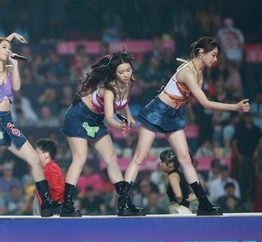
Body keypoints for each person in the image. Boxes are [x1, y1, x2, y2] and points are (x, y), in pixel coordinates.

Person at [124, 37, 250, 216]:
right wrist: (235, 107)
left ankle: (203, 203)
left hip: (173, 114)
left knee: (185, 159)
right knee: (139, 158)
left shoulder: (200, 71)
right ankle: (124, 203)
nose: (215, 59)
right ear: (201, 53)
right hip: (158, 111)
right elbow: (205, 103)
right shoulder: (188, 72)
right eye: (213, 55)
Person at [0, 35, 61, 218]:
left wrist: (15, 66)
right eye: (4, 47)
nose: (8, 50)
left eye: (9, 48)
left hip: (7, 120)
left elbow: (17, 87)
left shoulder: (9, 69)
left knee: (34, 159)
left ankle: (46, 202)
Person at [61, 50, 143, 217]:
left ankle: (124, 203)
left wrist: (129, 115)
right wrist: (120, 125)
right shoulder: (109, 89)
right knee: (80, 158)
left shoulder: (128, 82)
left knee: (111, 158)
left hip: (95, 119)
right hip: (78, 116)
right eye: (121, 72)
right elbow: (109, 118)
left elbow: (123, 101)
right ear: (114, 73)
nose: (126, 75)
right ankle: (67, 206)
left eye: (128, 70)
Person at [35, 138, 80, 216]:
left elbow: (59, 190)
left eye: (36, 153)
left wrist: (55, 210)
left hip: (54, 215)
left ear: (46, 155)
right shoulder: (49, 168)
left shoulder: (51, 169)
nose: (34, 156)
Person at [159, 149, 195, 215]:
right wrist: (186, 202)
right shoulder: (181, 174)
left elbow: (178, 196)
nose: (160, 164)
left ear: (170, 164)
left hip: (179, 210)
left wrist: (183, 203)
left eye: (162, 161)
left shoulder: (172, 176)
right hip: (183, 210)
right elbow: (196, 194)